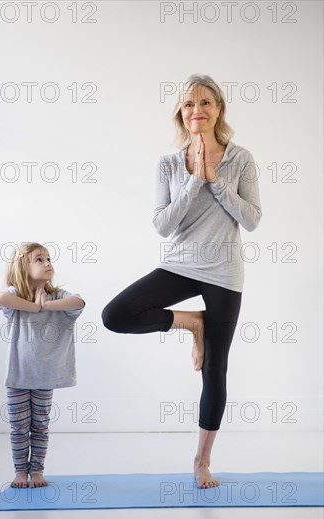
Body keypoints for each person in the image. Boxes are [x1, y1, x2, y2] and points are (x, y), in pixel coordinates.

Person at [102, 74, 262, 489]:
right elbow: (163, 225)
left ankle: (201, 461)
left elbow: (252, 220)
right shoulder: (167, 164)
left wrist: (216, 178)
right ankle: (192, 321)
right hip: (181, 263)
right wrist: (194, 178)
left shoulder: (241, 158)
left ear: (218, 109)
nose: (198, 109)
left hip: (224, 270)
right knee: (115, 314)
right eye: (190, 104)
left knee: (215, 368)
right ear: (181, 113)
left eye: (207, 102)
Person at [0, 242, 85, 488]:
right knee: (18, 427)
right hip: (18, 375)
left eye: (48, 258)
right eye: (39, 259)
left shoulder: (59, 296)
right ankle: (19, 472)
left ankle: (36, 471)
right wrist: (35, 307)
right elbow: (1, 298)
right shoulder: (15, 296)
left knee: (40, 425)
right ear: (22, 268)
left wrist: (48, 305)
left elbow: (78, 302)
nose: (48, 263)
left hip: (45, 376)